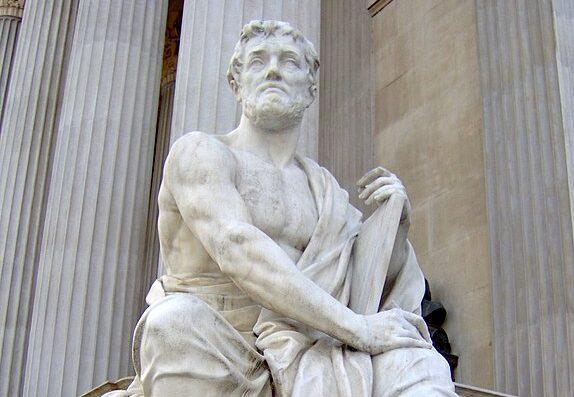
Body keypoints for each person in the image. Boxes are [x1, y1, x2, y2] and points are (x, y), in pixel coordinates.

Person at [107, 20, 456, 397]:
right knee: (172, 323)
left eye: (289, 61)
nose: (273, 69)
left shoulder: (323, 189)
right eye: (258, 61)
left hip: (313, 346)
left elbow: (363, 278)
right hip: (221, 342)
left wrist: (396, 228)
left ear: (310, 89)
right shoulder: (200, 154)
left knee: (419, 361)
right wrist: (356, 329)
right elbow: (237, 248)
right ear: (236, 84)